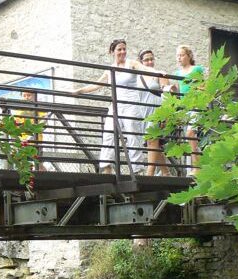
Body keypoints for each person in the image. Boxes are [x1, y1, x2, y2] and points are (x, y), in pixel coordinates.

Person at [72, 39, 146, 174]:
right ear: (112, 52)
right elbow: (97, 85)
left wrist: (158, 72)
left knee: (132, 134)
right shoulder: (109, 69)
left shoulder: (131, 64)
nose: (123, 52)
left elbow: (145, 69)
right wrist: (79, 91)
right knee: (109, 134)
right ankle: (107, 167)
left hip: (131, 105)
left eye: (124, 49)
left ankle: (137, 170)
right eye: (119, 49)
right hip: (116, 106)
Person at [137, 49, 172, 176]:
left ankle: (149, 173)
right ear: (141, 62)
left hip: (157, 110)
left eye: (151, 59)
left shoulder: (159, 75)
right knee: (152, 143)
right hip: (143, 112)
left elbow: (167, 95)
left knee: (152, 139)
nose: (150, 62)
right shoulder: (137, 76)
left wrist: (166, 116)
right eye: (146, 60)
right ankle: (166, 172)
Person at [174, 45, 206, 175]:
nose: (179, 58)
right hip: (184, 106)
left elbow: (203, 86)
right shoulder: (177, 73)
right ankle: (190, 169)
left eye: (181, 55)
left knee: (190, 134)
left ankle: (196, 167)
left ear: (189, 56)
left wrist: (196, 89)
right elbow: (178, 90)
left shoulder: (196, 69)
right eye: (178, 56)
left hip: (196, 104)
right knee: (188, 138)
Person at [13, 90, 47, 170]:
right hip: (22, 140)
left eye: (29, 95)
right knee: (23, 162)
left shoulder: (39, 108)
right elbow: (15, 125)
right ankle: (27, 179)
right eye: (24, 95)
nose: (26, 97)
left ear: (35, 96)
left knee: (38, 163)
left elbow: (43, 121)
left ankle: (43, 178)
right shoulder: (18, 110)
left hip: (36, 140)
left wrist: (30, 135)